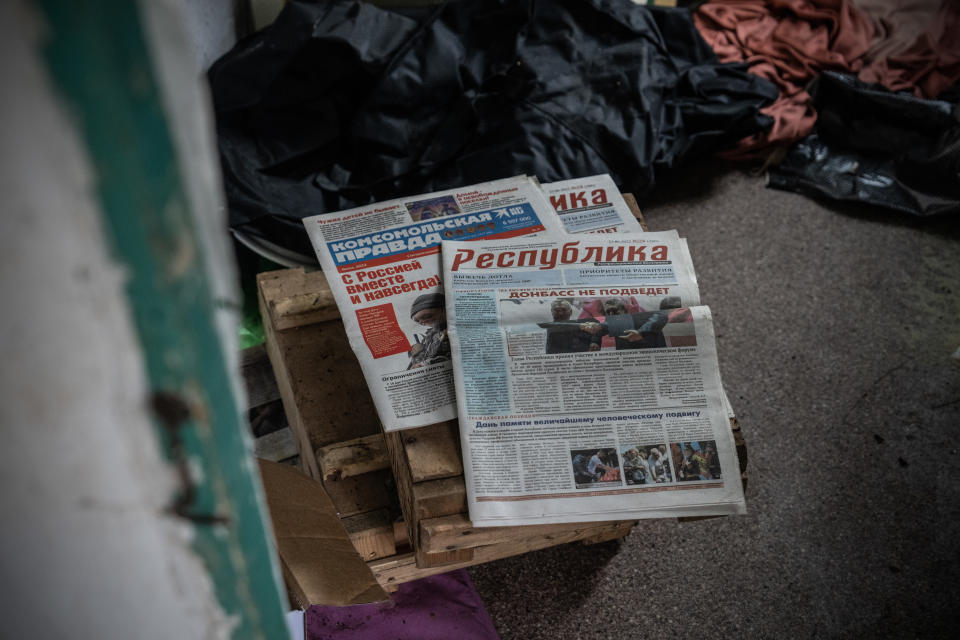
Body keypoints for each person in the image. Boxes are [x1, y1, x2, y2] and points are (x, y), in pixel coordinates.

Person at [407, 293, 450, 369]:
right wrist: (417, 353)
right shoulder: (429, 336)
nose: (422, 322)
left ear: (445, 309)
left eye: (426, 316)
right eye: (417, 321)